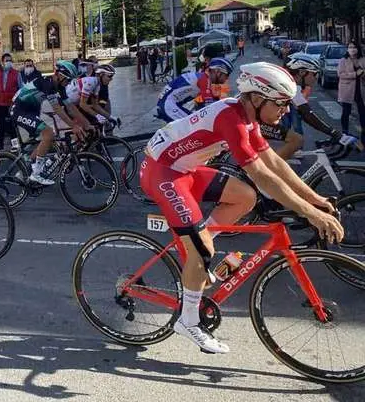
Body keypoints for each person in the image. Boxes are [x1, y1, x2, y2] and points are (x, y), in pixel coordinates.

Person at [139, 62, 344, 354]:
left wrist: (314, 199)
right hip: (162, 173)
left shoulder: (246, 117)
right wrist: (310, 213)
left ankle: (198, 249)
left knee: (245, 196)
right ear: (258, 98)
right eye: (281, 103)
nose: (286, 110)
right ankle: (187, 320)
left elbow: (274, 163)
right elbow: (262, 175)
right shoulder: (231, 119)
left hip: (185, 170)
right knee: (202, 251)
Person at [259, 52, 357, 159]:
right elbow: (307, 113)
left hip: (257, 122)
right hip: (249, 122)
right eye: (314, 74)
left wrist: (334, 133)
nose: (316, 78)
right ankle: (269, 170)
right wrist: (335, 133)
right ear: (302, 72)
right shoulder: (288, 85)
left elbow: (306, 114)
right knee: (296, 140)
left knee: (294, 140)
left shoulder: (290, 82)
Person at [9, 60, 84, 185]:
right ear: (59, 75)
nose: (69, 83)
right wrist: (74, 126)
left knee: (48, 137)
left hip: (31, 111)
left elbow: (71, 107)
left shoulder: (59, 87)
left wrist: (85, 124)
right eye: (68, 80)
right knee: (48, 133)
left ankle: (26, 168)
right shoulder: (47, 84)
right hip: (19, 110)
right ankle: (36, 173)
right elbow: (57, 109)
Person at [156, 57, 233, 123]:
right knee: (192, 127)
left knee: (194, 123)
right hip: (168, 105)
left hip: (168, 103)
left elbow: (202, 103)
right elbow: (210, 106)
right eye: (226, 75)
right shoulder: (205, 80)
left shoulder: (203, 77)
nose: (227, 78)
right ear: (217, 72)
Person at [0, 53, 21, 150]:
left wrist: (19, 101)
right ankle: (0, 144)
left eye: (10, 60)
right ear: (2, 62)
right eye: (6, 60)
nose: (9, 62)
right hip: (1, 104)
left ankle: (15, 145)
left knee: (12, 125)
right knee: (0, 125)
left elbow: (21, 88)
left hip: (12, 104)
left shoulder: (16, 73)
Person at [338, 42, 365, 145]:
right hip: (347, 90)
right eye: (350, 47)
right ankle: (344, 133)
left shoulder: (362, 60)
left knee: (362, 113)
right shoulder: (343, 60)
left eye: (354, 47)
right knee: (346, 112)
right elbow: (340, 74)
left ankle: (363, 137)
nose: (352, 49)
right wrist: (355, 74)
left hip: (360, 90)